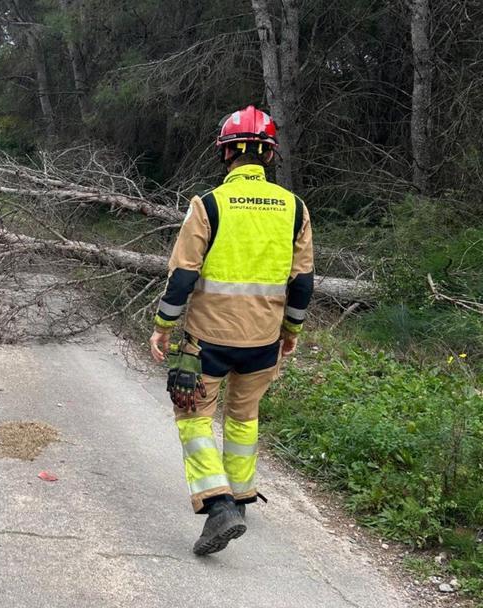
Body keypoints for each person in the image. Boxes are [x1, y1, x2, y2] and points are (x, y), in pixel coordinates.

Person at [148, 105, 315, 556]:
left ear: (226, 154)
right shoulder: (294, 208)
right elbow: (302, 283)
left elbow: (183, 275)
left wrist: (163, 325)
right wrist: (291, 332)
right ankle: (240, 498)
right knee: (244, 416)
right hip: (263, 342)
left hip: (208, 342)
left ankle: (219, 505)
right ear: (269, 155)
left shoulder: (208, 205)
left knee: (193, 417)